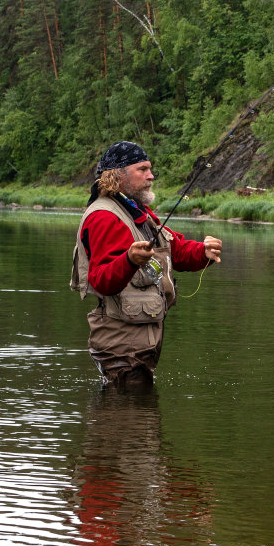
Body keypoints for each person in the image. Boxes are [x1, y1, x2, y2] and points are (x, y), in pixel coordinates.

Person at [70, 141, 222, 388]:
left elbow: (175, 250)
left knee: (138, 418)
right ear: (117, 175)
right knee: (129, 417)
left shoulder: (137, 211)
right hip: (121, 346)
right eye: (142, 169)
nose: (151, 176)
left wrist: (203, 252)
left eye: (150, 169)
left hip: (136, 344)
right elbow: (101, 280)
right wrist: (129, 261)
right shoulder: (104, 216)